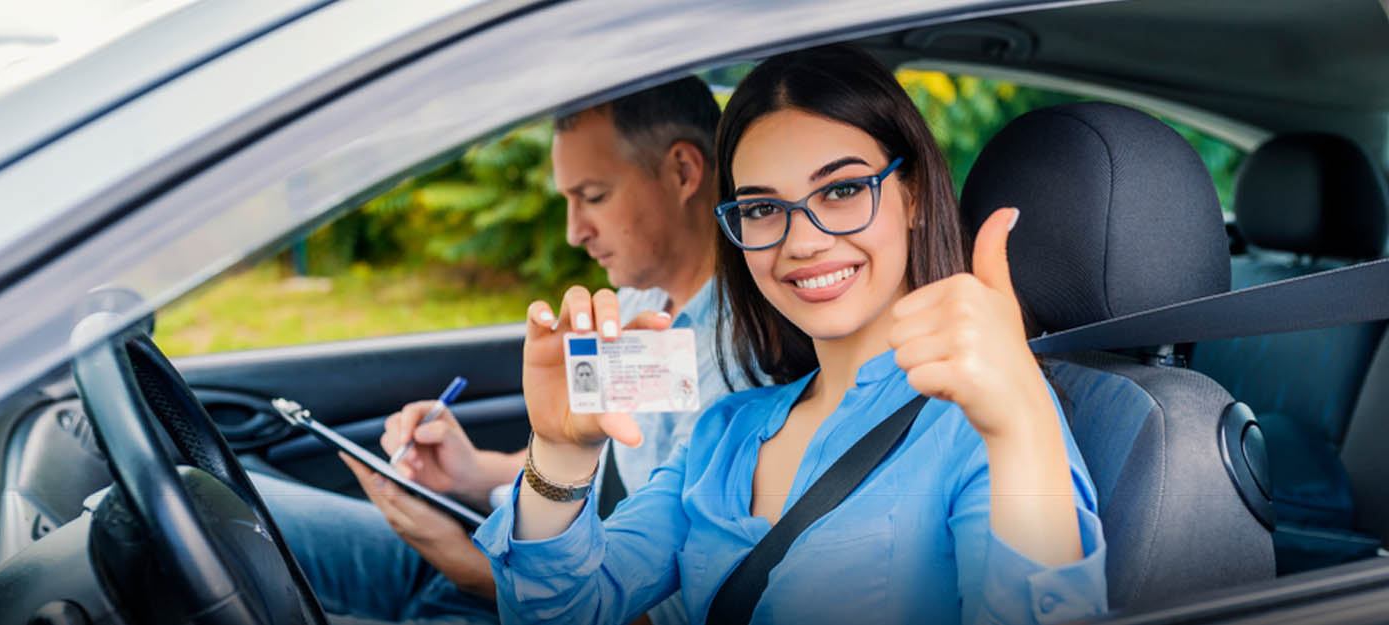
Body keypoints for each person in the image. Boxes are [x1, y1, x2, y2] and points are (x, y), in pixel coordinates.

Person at [472, 45, 1108, 625]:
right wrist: (558, 452)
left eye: (842, 190)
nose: (801, 242)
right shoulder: (723, 434)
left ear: (911, 194)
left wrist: (1021, 419)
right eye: (762, 208)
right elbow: (563, 612)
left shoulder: (989, 423)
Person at [252, 75, 744, 625]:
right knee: (244, 512)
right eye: (569, 200)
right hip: (512, 560)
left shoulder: (738, 370)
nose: (574, 232)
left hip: (525, 596)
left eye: (594, 197)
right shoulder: (641, 303)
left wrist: (467, 568)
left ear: (683, 171)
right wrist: (468, 472)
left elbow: (670, 611)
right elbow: (599, 468)